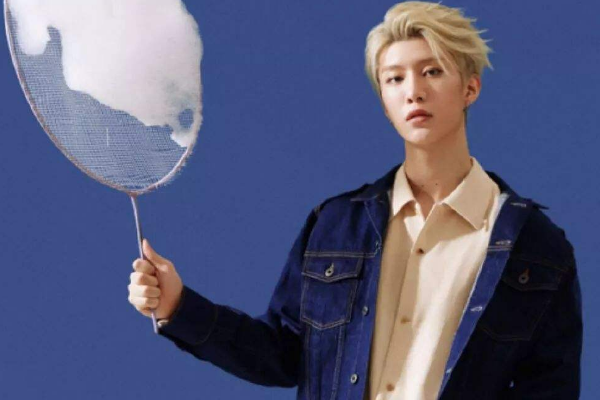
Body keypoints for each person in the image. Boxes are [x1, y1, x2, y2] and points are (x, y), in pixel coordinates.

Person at [127, 2, 583, 399]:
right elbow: (282, 354)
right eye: (394, 78)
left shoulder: (534, 247)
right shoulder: (336, 226)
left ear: (470, 88)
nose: (413, 91)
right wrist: (178, 306)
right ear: (384, 102)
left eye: (432, 71)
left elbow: (549, 389)